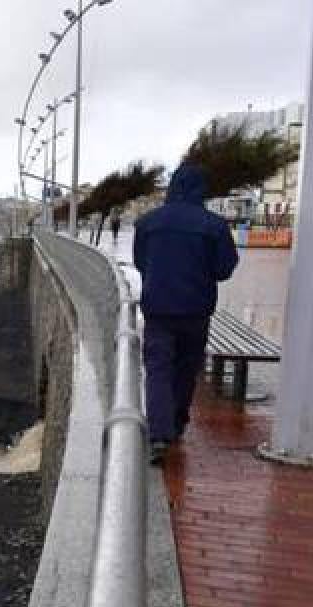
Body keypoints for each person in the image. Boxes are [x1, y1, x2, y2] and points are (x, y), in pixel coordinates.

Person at [133, 162, 239, 465]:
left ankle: (159, 434)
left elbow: (142, 262)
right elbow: (224, 269)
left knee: (158, 369)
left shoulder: (147, 223)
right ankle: (176, 423)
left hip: (158, 309)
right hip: (195, 311)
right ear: (201, 189)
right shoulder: (214, 226)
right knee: (185, 369)